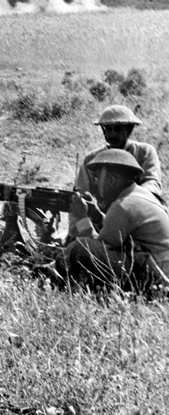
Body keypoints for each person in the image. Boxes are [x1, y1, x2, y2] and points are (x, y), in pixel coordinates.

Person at [57, 149, 169, 290]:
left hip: (156, 276)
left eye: (97, 178)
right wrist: (97, 217)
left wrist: (81, 218)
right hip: (158, 267)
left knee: (80, 248)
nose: (96, 184)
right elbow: (118, 232)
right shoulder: (139, 195)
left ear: (111, 180)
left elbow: (95, 249)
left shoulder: (123, 205)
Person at [67, 104, 163, 240]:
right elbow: (80, 197)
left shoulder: (144, 152)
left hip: (136, 217)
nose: (111, 134)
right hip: (102, 220)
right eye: (107, 129)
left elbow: (152, 185)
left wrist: (128, 203)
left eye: (118, 129)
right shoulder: (92, 159)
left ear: (129, 130)